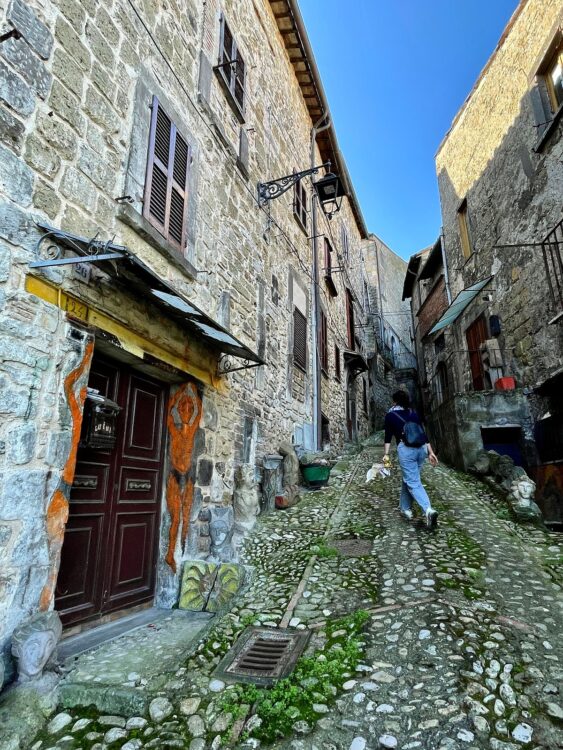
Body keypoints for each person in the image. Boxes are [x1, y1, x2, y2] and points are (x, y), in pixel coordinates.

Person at [383, 390, 439, 529]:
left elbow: (388, 437)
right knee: (410, 478)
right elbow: (423, 434)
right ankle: (405, 508)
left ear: (394, 401)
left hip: (406, 450)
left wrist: (386, 455)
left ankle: (428, 510)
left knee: (413, 481)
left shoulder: (390, 415)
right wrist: (431, 452)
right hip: (421, 450)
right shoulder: (413, 413)